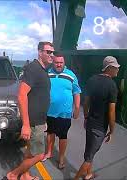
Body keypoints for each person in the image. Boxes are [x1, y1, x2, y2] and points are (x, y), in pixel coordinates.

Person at [7, 41, 54, 180]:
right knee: (39, 155)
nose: (51, 55)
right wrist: (26, 125)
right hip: (33, 121)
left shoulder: (43, 70)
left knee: (30, 151)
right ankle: (13, 174)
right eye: (48, 52)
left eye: (53, 52)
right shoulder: (33, 69)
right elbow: (21, 95)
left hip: (39, 120)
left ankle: (25, 175)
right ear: (40, 52)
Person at [74, 56, 120, 180]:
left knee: (89, 151)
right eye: (116, 67)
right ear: (109, 68)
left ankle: (88, 174)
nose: (117, 70)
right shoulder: (112, 86)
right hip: (100, 127)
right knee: (89, 157)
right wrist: (112, 130)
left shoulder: (92, 79)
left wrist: (86, 117)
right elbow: (111, 111)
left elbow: (86, 101)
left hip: (90, 123)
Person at [42, 52, 81, 169]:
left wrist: (77, 108)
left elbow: (76, 92)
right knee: (50, 132)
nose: (58, 65)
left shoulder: (71, 75)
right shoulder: (47, 73)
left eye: (61, 62)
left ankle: (61, 157)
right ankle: (49, 152)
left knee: (63, 136)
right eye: (56, 62)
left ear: (64, 62)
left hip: (65, 113)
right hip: (49, 111)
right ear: (53, 62)